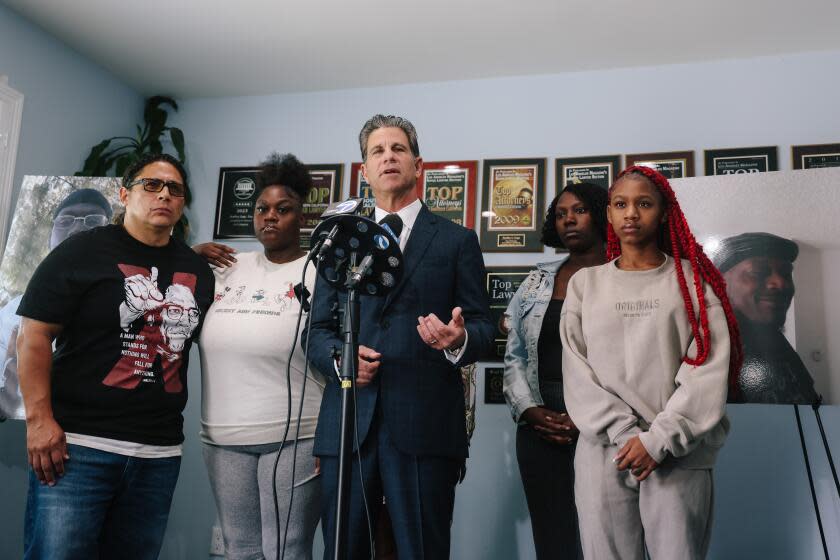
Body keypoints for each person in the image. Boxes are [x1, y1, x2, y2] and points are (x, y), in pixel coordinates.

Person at [304, 114, 493, 559]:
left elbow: (484, 329)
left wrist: (457, 340)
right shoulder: (338, 241)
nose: (388, 156)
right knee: (341, 550)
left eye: (398, 149)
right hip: (348, 425)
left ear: (418, 164)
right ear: (364, 171)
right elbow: (316, 334)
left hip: (426, 426)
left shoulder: (457, 241)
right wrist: (340, 359)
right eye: (377, 151)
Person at [17, 153, 214, 560]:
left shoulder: (197, 269)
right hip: (78, 448)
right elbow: (33, 336)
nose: (164, 194)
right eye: (152, 184)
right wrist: (38, 421)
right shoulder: (79, 253)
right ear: (125, 193)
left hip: (158, 455)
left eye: (174, 189)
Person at [560, 166, 742, 559]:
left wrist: (657, 441)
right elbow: (578, 373)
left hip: (679, 452)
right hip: (605, 451)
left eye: (643, 204)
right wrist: (628, 437)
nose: (630, 214)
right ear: (607, 214)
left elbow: (707, 371)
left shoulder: (693, 283)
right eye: (620, 204)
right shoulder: (584, 285)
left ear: (663, 212)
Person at [194, 153, 325, 560]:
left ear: (301, 219)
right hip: (223, 436)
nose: (270, 217)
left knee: (286, 548)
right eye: (262, 209)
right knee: (240, 548)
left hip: (297, 435)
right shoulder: (225, 267)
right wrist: (189, 255)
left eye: (283, 210)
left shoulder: (320, 271)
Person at [503, 182, 608, 559]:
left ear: (600, 212)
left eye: (579, 210)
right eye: (561, 214)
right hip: (540, 423)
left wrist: (589, 417)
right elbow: (515, 353)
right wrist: (528, 410)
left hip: (604, 425)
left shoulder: (625, 273)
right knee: (553, 537)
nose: (569, 220)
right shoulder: (539, 279)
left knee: (611, 536)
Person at [0, 189, 113, 420]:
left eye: (93, 220)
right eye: (65, 220)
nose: (77, 227)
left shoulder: (129, 305)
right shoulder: (13, 312)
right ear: (49, 236)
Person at [710, 232, 819, 404]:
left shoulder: (781, 347)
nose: (780, 283)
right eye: (758, 272)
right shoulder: (705, 347)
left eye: (785, 274)